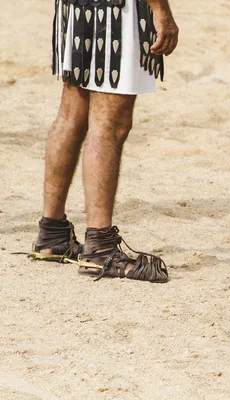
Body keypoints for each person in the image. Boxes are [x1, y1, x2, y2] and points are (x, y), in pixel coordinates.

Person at [28, 0, 178, 283]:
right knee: (110, 125)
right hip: (117, 10)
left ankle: (53, 234)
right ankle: (101, 247)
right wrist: (160, 9)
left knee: (72, 114)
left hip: (76, 7)